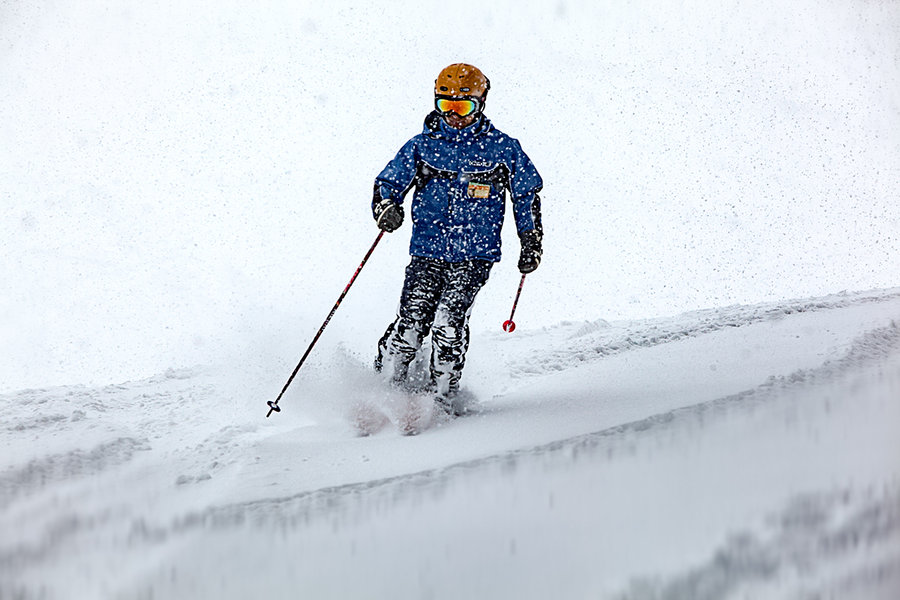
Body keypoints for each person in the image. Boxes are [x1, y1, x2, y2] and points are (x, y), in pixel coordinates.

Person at [372, 63, 543, 416]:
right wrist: (386, 207)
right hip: (428, 250)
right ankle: (387, 391)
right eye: (445, 106)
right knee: (412, 323)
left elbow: (526, 193)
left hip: (474, 254)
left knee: (448, 324)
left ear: (480, 104)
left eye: (463, 107)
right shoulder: (422, 146)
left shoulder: (502, 149)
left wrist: (530, 238)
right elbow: (388, 183)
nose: (455, 116)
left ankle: (440, 397)